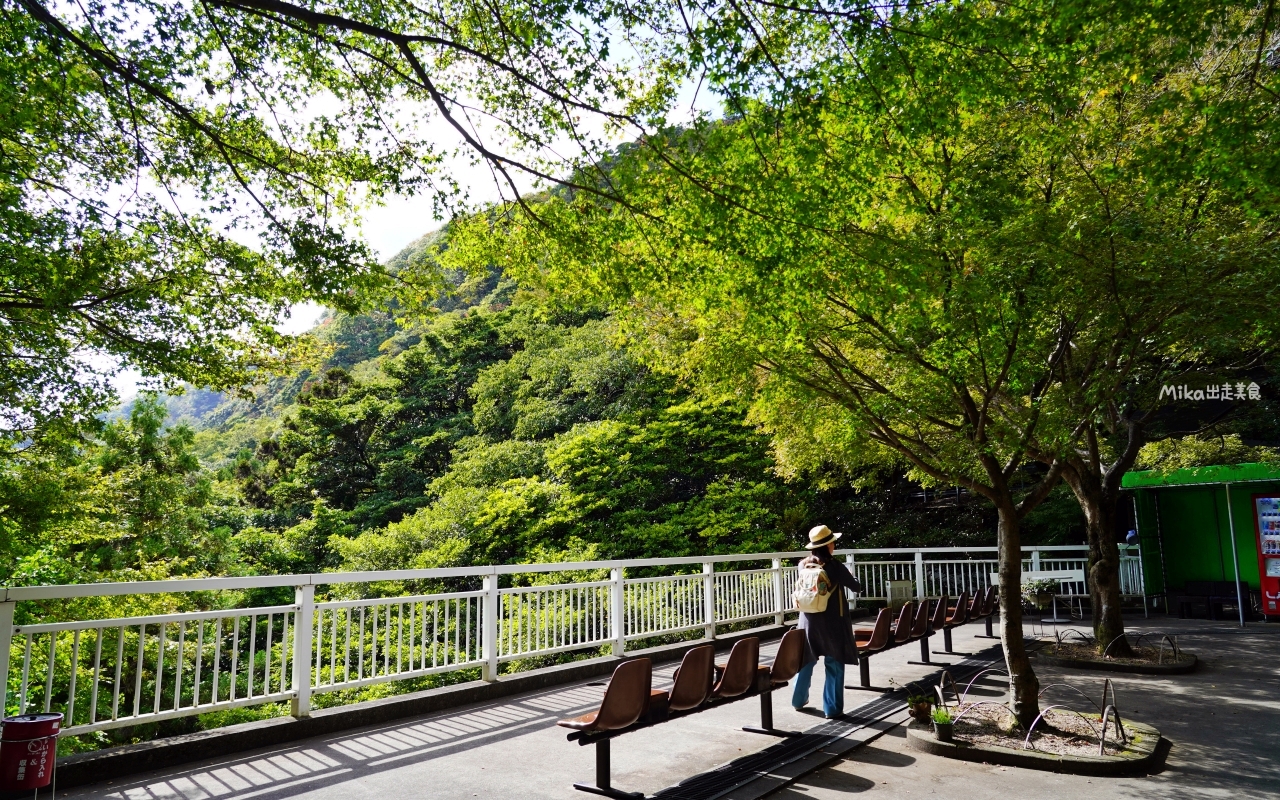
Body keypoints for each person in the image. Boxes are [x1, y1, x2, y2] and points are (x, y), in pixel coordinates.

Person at [792, 524, 862, 718]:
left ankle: (798, 701)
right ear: (829, 544)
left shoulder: (802, 565)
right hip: (833, 623)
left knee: (806, 661)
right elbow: (856, 587)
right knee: (834, 664)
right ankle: (832, 709)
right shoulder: (835, 566)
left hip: (807, 622)